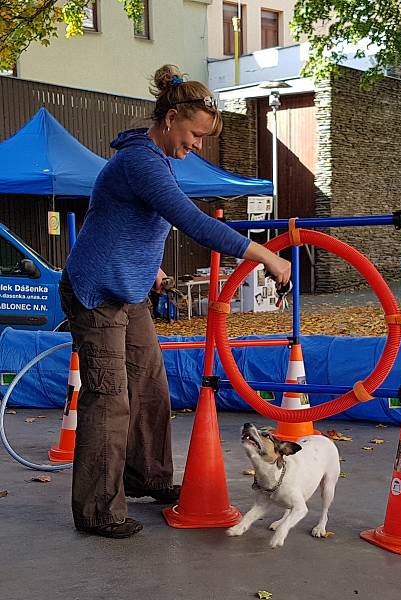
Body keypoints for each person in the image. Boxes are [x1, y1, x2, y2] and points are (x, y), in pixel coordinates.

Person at [59, 65, 291, 539]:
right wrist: (265, 252)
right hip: (96, 296)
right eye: (195, 134)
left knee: (150, 388)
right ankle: (98, 511)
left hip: (131, 292)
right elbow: (189, 220)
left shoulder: (156, 161)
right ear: (170, 119)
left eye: (204, 138)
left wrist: (154, 271)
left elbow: (127, 224)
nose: (198, 145)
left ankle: (147, 478)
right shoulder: (140, 161)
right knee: (110, 399)